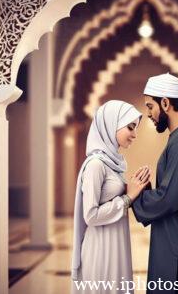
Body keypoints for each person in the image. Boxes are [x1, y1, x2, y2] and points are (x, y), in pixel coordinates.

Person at [129, 73, 178, 293]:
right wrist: (145, 188)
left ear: (165, 103)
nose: (149, 114)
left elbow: (170, 198)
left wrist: (134, 195)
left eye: (150, 106)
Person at [71, 100, 151, 294]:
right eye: (130, 127)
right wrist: (128, 197)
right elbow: (90, 215)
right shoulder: (95, 165)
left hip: (116, 243)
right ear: (111, 124)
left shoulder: (113, 164)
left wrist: (131, 187)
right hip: (101, 248)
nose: (134, 135)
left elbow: (110, 195)